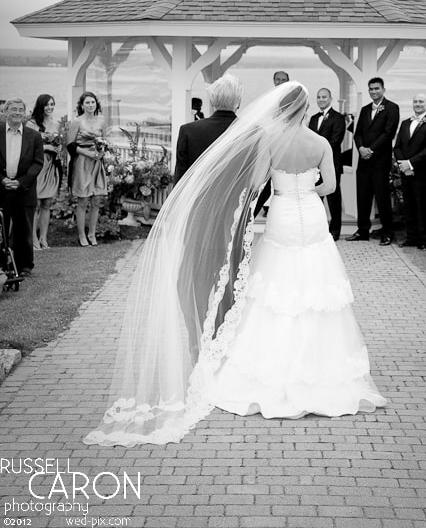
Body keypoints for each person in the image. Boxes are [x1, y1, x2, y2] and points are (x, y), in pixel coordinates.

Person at [84, 82, 385, 447]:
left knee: (275, 282)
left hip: (284, 215)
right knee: (316, 284)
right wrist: (307, 190)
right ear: (306, 109)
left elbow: (258, 184)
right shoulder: (322, 143)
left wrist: (281, 191)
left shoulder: (270, 142)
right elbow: (332, 187)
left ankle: (265, 362)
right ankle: (320, 365)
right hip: (310, 211)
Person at [347, 77, 399, 245]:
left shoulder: (392, 108)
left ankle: (387, 233)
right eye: (371, 89)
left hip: (380, 161)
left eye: (376, 88)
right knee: (362, 197)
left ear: (383, 89)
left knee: (382, 198)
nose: (374, 92)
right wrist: (361, 148)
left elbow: (388, 133)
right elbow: (358, 133)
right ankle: (362, 230)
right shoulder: (364, 109)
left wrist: (371, 149)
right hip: (363, 161)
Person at [0, 98, 44, 277]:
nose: (18, 113)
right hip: (1, 189)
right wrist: (2, 180)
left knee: (23, 229)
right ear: (5, 112)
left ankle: (24, 266)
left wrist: (21, 181)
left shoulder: (34, 136)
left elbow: (37, 163)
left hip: (24, 189)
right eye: (13, 109)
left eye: (21, 109)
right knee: (1, 229)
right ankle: (2, 265)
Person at [394, 94, 426, 250]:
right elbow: (398, 146)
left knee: (423, 206)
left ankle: (425, 240)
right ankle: (411, 237)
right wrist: (403, 165)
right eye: (415, 101)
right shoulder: (405, 122)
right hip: (405, 171)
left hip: (421, 171)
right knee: (408, 205)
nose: (418, 104)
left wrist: (410, 164)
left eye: (421, 101)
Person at [174, 74, 242, 184]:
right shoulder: (253, 132)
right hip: (237, 200)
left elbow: (180, 180)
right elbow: (262, 185)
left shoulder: (188, 131)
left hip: (197, 199)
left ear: (211, 101)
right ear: (238, 103)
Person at [67, 91, 108, 247]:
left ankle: (92, 233)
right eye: (87, 103)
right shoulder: (77, 122)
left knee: (97, 200)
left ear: (96, 104)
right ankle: (81, 235)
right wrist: (87, 153)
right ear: (82, 105)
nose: (91, 105)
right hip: (82, 162)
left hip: (97, 163)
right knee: (83, 200)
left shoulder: (102, 122)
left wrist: (101, 153)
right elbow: (70, 145)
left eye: (93, 102)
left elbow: (105, 141)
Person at [308, 88, 346, 241]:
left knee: (333, 198)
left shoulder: (338, 118)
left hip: (332, 164)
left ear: (330, 98)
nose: (321, 99)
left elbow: (335, 141)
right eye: (318, 97)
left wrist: (319, 153)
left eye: (324, 97)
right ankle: (318, 228)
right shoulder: (313, 118)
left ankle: (335, 230)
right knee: (316, 198)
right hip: (314, 166)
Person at [27, 94, 62, 249]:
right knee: (35, 203)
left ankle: (43, 238)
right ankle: (33, 239)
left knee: (47, 203)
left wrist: (58, 149)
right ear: (40, 106)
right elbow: (27, 146)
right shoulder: (32, 123)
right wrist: (47, 147)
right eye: (46, 105)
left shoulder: (56, 124)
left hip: (51, 165)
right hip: (37, 165)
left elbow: (60, 142)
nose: (50, 108)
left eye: (52, 104)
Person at [253, 70, 291, 217]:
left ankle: (280, 213)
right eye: (278, 79)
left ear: (288, 81)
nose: (280, 82)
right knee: (264, 186)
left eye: (283, 80)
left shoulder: (293, 100)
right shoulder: (268, 100)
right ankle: (253, 214)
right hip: (269, 148)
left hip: (286, 148)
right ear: (274, 81)